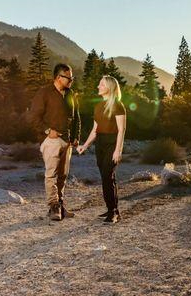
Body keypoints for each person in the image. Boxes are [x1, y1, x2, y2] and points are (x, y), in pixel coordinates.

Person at [28, 63, 80, 221]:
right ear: (58, 77)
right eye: (68, 77)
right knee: (51, 174)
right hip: (50, 140)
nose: (71, 80)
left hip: (67, 141)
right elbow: (33, 118)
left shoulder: (71, 94)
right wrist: (47, 131)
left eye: (72, 78)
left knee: (63, 176)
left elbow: (77, 117)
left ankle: (60, 206)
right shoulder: (44, 93)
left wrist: (76, 136)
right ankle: (53, 207)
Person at [77, 75, 126, 224]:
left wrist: (118, 150)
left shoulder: (118, 105)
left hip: (112, 143)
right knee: (106, 178)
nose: (98, 87)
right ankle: (111, 208)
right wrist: (85, 146)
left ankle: (114, 212)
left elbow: (121, 129)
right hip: (100, 143)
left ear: (110, 88)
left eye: (102, 85)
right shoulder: (98, 106)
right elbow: (95, 129)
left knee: (107, 175)